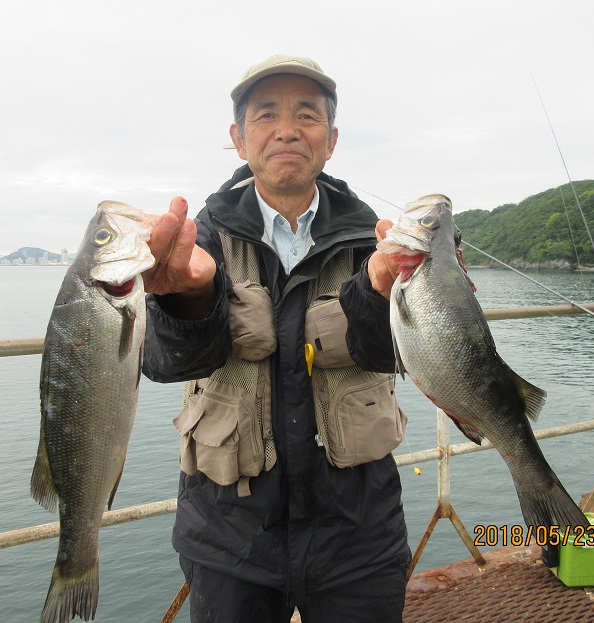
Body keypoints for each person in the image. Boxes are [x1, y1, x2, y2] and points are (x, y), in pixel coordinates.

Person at [142, 54, 411, 623]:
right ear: (239, 139)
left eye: (307, 115)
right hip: (228, 538)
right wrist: (187, 298)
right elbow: (166, 362)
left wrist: (386, 291)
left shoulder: (379, 241)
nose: (287, 129)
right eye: (266, 114)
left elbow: (392, 354)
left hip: (359, 536)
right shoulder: (199, 238)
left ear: (331, 140)